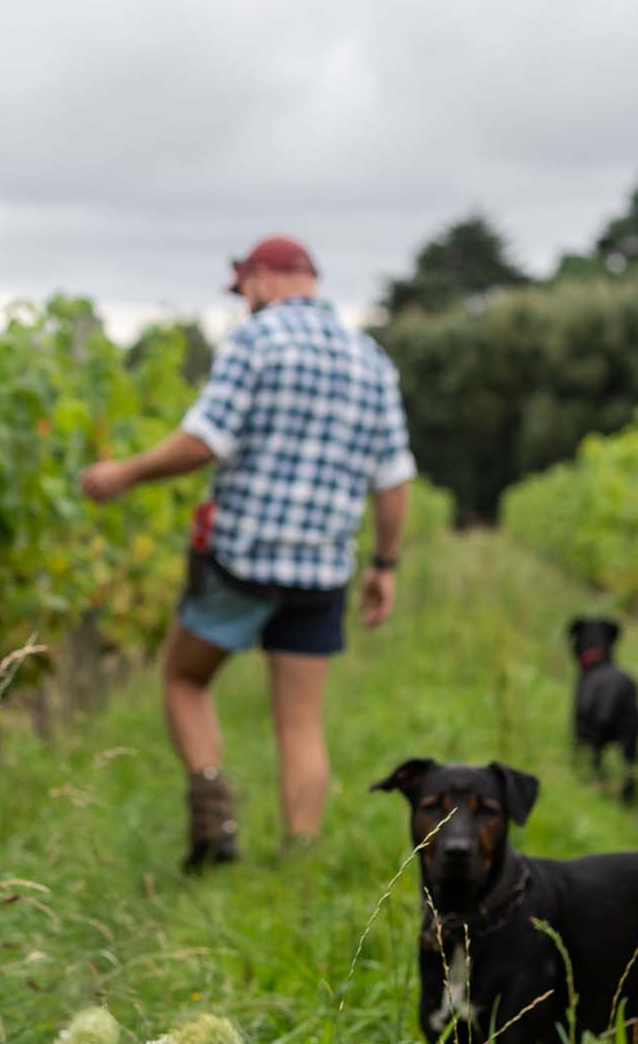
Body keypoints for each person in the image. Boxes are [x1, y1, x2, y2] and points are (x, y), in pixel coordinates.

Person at [80, 234, 415, 869]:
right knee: (300, 723)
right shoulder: (372, 361)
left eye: (243, 291)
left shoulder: (257, 342)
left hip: (243, 557)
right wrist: (384, 565)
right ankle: (301, 858)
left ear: (263, 278)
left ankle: (215, 814)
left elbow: (204, 440)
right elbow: (394, 480)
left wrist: (125, 473)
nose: (244, 304)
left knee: (183, 678)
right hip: (321, 569)